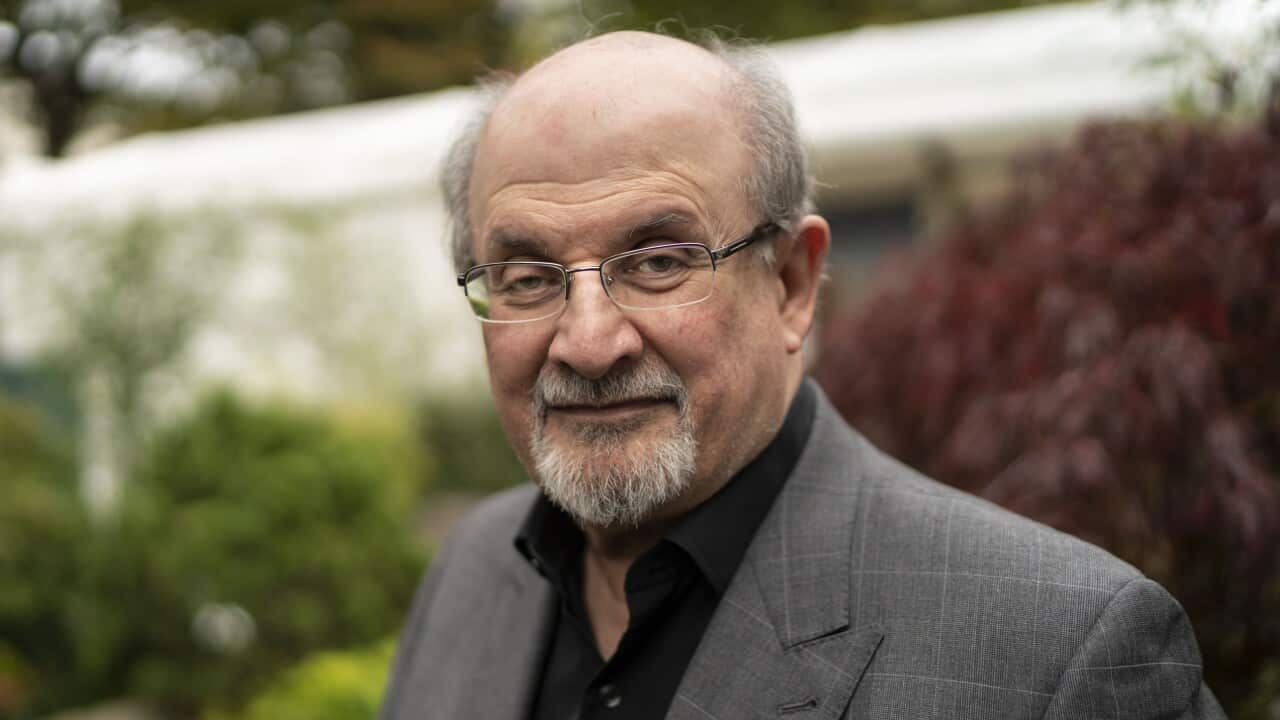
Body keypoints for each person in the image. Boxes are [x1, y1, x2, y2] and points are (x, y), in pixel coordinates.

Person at [380, 30, 1224, 720]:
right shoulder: (473, 569)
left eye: (660, 262)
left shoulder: (1060, 655)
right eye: (528, 279)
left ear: (791, 284)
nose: (589, 343)